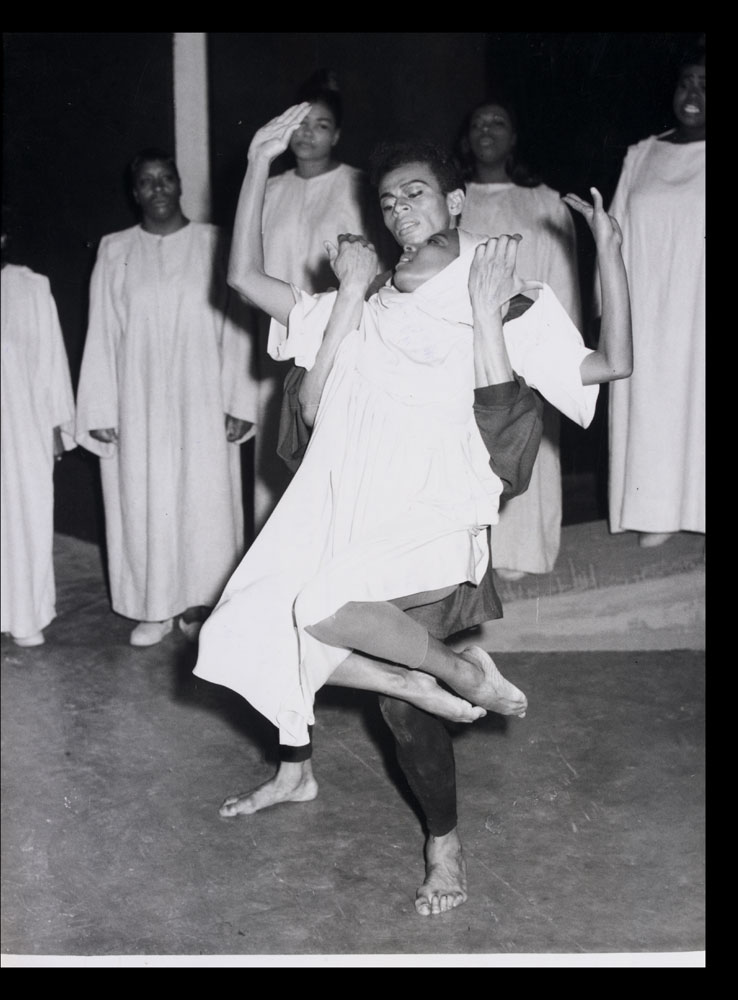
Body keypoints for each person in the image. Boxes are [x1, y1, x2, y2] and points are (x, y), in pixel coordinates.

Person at [193, 104, 632, 916]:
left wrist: (608, 254)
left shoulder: (502, 290)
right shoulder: (360, 299)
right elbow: (244, 282)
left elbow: (611, 363)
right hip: (351, 505)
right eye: (389, 202)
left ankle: (445, 845)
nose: (401, 211)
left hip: (434, 509)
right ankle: (432, 685)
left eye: (418, 194)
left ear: (457, 201)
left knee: (393, 704)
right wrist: (256, 161)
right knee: (245, 626)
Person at [75, 149, 253, 646]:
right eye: (147, 182)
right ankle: (154, 605)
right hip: (139, 400)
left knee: (204, 498)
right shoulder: (114, 249)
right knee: (145, 495)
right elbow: (102, 331)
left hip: (202, 395)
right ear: (135, 194)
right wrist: (99, 407)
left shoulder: (214, 243)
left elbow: (235, 324)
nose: (157, 189)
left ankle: (201, 601)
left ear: (179, 185)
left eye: (166, 179)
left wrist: (238, 398)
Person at [222, 70, 386, 534]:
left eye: (321, 125)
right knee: (276, 465)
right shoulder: (268, 190)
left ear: (338, 135)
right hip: (274, 334)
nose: (308, 134)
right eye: (301, 123)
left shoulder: (358, 186)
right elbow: (243, 278)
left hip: (336, 337)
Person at [456, 98, 583, 580]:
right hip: (463, 341)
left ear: (514, 136)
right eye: (477, 122)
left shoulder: (544, 202)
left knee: (528, 441)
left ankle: (522, 551)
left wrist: (553, 352)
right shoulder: (452, 198)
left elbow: (562, 282)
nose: (486, 129)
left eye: (498, 121)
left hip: (526, 343)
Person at [603, 43, 705, 547]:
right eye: (686, 81)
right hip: (650, 307)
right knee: (653, 399)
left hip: (702, 308)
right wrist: (610, 311)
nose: (693, 94)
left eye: (706, 84)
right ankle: (658, 510)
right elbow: (614, 236)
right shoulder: (641, 154)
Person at [1, 225, 76, 647]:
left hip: (18, 429)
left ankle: (23, 614)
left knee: (21, 514)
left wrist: (54, 427)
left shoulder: (28, 287)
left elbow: (50, 360)